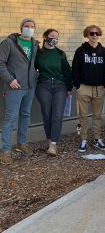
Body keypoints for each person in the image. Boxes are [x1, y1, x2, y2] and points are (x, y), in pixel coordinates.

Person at [0, 18, 39, 165]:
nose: (29, 28)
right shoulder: (9, 43)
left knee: (25, 114)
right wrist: (10, 80)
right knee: (10, 117)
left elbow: (35, 63)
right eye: (26, 26)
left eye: (32, 26)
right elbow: (0, 62)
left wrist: (36, 74)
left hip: (29, 86)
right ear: (21, 27)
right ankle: (6, 150)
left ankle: (22, 143)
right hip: (15, 86)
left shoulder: (35, 44)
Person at [72, 25, 105, 152]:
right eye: (91, 33)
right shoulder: (80, 51)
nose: (94, 36)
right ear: (87, 35)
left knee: (97, 116)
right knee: (83, 115)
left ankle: (97, 139)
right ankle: (83, 140)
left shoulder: (103, 51)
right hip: (84, 87)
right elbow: (75, 69)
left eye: (97, 33)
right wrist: (78, 86)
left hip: (99, 88)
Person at [35, 29, 72, 156]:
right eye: (52, 36)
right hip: (43, 85)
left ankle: (53, 145)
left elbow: (67, 71)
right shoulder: (38, 53)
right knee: (47, 115)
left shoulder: (60, 54)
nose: (54, 39)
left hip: (59, 86)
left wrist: (69, 88)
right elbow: (32, 68)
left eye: (57, 37)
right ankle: (49, 141)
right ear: (45, 37)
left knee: (57, 115)